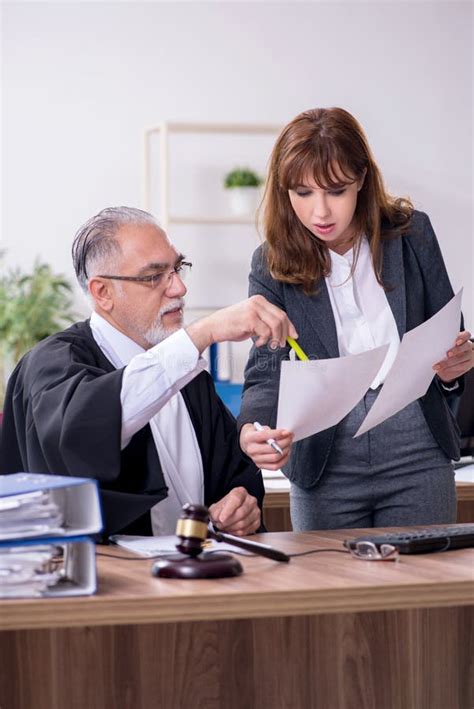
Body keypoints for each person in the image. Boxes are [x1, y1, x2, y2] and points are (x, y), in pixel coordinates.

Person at [238, 107, 474, 531]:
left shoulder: (412, 235)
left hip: (416, 448)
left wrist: (456, 368)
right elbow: (267, 370)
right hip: (325, 458)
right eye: (302, 193)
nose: (321, 212)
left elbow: (449, 340)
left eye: (336, 190)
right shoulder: (271, 263)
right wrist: (253, 429)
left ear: (362, 180)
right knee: (328, 592)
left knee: (422, 591)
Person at [0, 206, 297, 538]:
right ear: (103, 292)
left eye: (177, 269)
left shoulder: (188, 374)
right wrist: (203, 334)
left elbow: (234, 474)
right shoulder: (52, 362)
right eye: (154, 276)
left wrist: (241, 504)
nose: (178, 289)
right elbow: (88, 430)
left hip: (200, 578)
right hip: (105, 583)